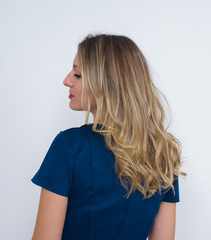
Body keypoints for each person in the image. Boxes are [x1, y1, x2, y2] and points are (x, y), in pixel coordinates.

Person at [31, 34, 185, 240]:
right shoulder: (162, 154)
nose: (66, 80)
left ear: (106, 83)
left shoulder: (69, 147)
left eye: (77, 74)